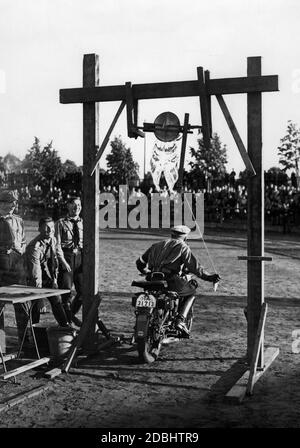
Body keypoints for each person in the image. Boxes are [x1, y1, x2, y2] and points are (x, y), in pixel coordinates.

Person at [136, 225, 220, 337]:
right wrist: (210, 277)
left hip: (152, 278)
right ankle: (180, 320)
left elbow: (139, 263)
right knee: (191, 292)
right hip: (170, 279)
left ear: (172, 234)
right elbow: (195, 268)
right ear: (185, 237)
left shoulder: (156, 245)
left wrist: (146, 271)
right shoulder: (183, 246)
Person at [26, 217, 69, 327]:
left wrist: (54, 280)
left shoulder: (52, 240)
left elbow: (54, 262)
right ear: (39, 229)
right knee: (35, 305)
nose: (50, 231)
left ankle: (65, 328)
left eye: (52, 228)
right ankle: (32, 333)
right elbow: (35, 275)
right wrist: (39, 298)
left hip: (44, 273)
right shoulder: (34, 247)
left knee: (56, 299)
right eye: (47, 228)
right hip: (30, 275)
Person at [0, 189, 28, 343]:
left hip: (17, 265)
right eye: (11, 202)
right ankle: (0, 345)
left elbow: (23, 241)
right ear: (2, 203)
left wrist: (18, 250)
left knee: (22, 302)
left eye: (15, 202)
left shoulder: (18, 220)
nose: (14, 205)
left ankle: (25, 341)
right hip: (0, 265)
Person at [55, 196, 83, 326]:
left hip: (81, 258)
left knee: (83, 293)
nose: (76, 207)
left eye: (78, 205)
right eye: (73, 205)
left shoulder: (84, 223)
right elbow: (57, 245)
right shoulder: (60, 223)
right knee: (66, 292)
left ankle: (69, 316)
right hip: (66, 257)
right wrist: (63, 262)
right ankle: (66, 323)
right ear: (68, 206)